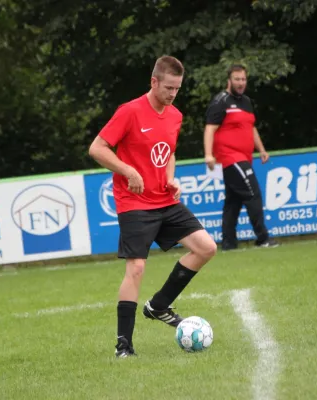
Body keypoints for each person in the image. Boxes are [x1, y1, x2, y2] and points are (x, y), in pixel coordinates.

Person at [88, 55, 217, 358]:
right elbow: (96, 148)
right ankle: (124, 346)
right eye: (168, 88)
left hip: (165, 199)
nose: (172, 94)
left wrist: (172, 179)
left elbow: (169, 152)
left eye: (177, 89)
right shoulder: (129, 112)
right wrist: (128, 171)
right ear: (154, 81)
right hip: (134, 202)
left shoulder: (175, 115)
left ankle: (159, 305)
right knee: (136, 267)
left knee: (206, 247)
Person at [203, 64, 279, 251]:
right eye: (237, 79)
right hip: (230, 157)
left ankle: (228, 244)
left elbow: (251, 127)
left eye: (243, 79)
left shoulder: (246, 102)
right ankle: (263, 238)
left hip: (245, 157)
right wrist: (208, 154)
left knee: (233, 202)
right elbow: (209, 129)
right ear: (229, 80)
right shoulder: (221, 101)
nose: (240, 83)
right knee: (253, 194)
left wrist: (261, 149)